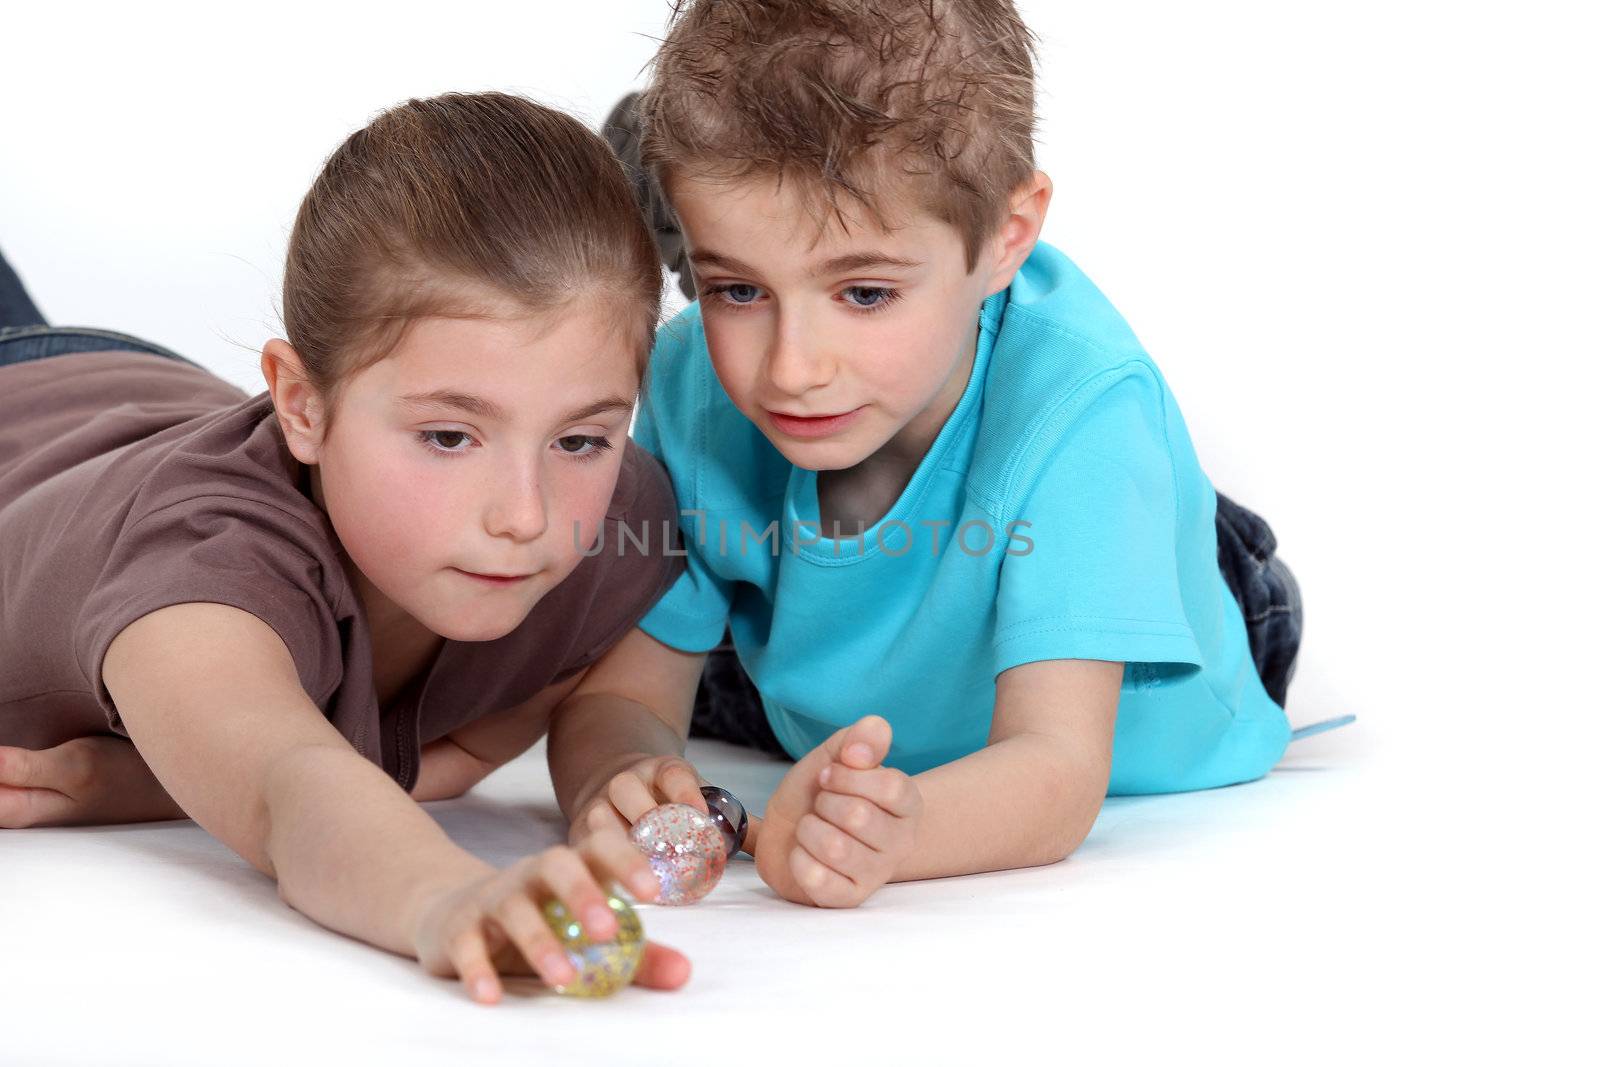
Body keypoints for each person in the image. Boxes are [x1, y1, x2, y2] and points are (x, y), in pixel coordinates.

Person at [577, 0, 1311, 909]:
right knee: (636, 631)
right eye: (735, 288)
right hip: (846, 642)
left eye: (866, 292)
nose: (792, 369)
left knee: (1095, 515)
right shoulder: (696, 376)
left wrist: (894, 830)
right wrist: (617, 779)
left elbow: (1058, 776)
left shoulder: (1085, 413)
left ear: (1008, 238)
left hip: (1152, 644)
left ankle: (1185, 525)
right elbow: (625, 699)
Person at [0, 92, 701, 1003]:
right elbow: (290, 788)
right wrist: (444, 893)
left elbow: (580, 696)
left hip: (136, 392)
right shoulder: (203, 566)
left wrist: (613, 772)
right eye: (450, 437)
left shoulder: (616, 519)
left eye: (579, 438)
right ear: (301, 405)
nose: (525, 515)